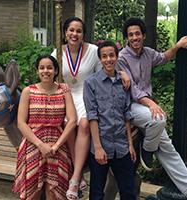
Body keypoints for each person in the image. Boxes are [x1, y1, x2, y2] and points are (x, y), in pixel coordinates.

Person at [116, 17, 187, 199]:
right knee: (159, 118)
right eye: (131, 35)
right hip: (129, 106)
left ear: (143, 35)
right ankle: (147, 150)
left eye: (137, 34)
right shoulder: (121, 58)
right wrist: (151, 103)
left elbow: (164, 57)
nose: (134, 38)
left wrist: (178, 45)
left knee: (167, 147)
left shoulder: (148, 53)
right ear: (126, 38)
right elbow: (132, 89)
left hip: (143, 107)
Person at [51, 16, 130, 200]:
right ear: (65, 33)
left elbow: (106, 69)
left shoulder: (93, 50)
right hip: (66, 95)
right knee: (68, 123)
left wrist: (122, 73)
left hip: (87, 94)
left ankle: (76, 177)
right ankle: (75, 171)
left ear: (83, 34)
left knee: (85, 123)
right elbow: (51, 75)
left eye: (78, 31)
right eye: (71, 30)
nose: (74, 34)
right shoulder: (58, 52)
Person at [13, 55, 77, 200]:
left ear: (55, 71)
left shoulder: (64, 91)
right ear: (37, 71)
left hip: (58, 146)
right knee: (32, 191)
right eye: (42, 68)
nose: (45, 71)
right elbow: (21, 123)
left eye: (49, 67)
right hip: (33, 144)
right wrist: (40, 145)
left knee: (53, 191)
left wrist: (56, 146)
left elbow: (73, 120)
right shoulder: (28, 91)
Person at [83, 40, 137, 200]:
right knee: (97, 194)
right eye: (104, 56)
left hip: (122, 147)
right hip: (101, 147)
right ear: (100, 59)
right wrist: (98, 147)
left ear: (117, 57)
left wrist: (130, 144)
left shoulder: (124, 82)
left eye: (111, 55)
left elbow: (126, 114)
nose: (108, 59)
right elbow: (92, 116)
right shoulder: (91, 83)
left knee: (128, 192)